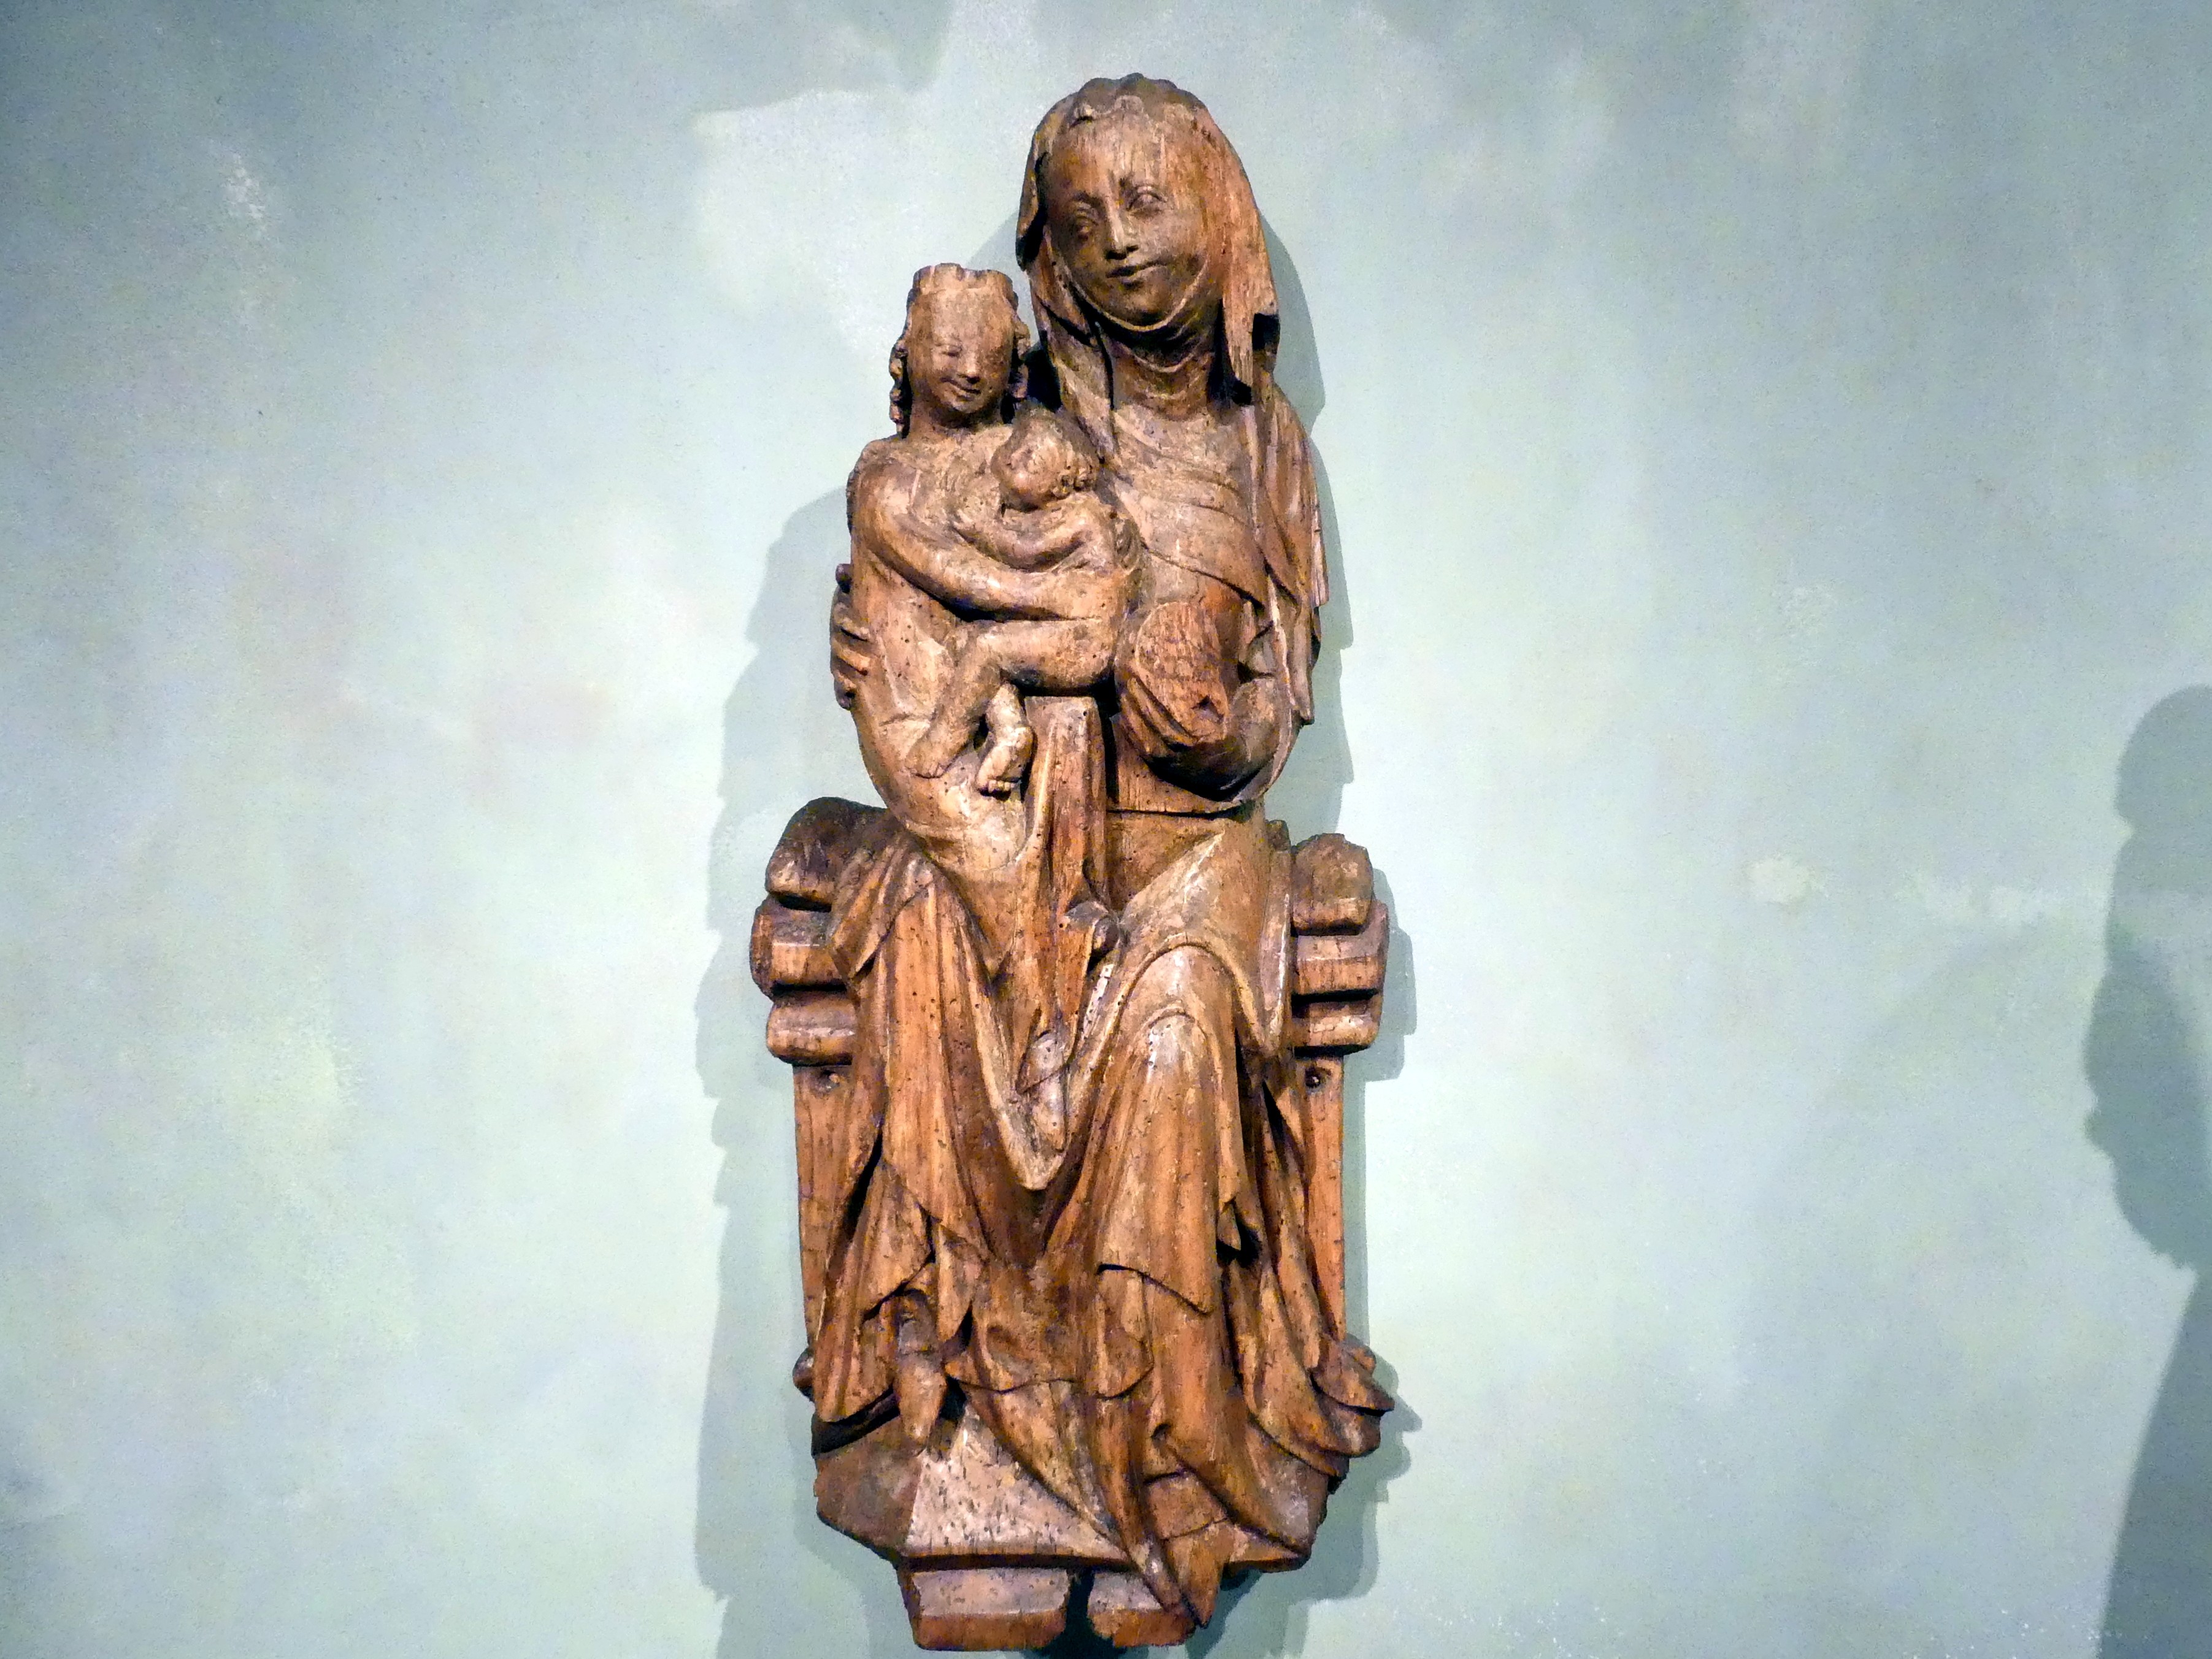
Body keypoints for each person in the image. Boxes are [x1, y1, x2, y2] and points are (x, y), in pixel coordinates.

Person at [820, 77, 1389, 1641]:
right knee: (931, 936)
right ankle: (968, 1404)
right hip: (1032, 829)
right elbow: (911, 608)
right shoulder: (1015, 429)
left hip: (1195, 849)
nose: (1121, 240)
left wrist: (1199, 722)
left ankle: (1172, 1451)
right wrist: (884, 653)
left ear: (1219, 218)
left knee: (1174, 1027)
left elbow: (1269, 712)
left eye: (1149, 201)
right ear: (1048, 256)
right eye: (1084, 217)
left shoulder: (1264, 453)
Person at [906, 405, 1134, 794]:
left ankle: (943, 740)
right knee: (966, 641)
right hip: (1060, 629)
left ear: (1059, 485)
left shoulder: (1083, 516)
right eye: (1015, 446)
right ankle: (1010, 730)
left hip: (1088, 642)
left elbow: (1026, 552)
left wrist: (982, 532)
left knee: (989, 649)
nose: (1014, 458)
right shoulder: (1035, 511)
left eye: (1031, 460)